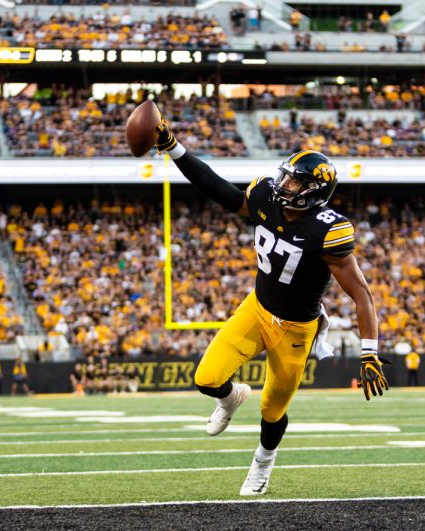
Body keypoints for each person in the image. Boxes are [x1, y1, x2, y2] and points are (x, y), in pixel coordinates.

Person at [153, 118, 389, 496]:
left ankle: (262, 464)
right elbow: (216, 188)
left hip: (296, 329)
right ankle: (231, 399)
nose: (283, 185)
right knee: (206, 379)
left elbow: (361, 292)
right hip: (257, 307)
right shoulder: (265, 196)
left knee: (272, 409)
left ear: (313, 192)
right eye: (285, 177)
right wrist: (173, 147)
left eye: (294, 182)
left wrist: (369, 351)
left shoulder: (328, 229)